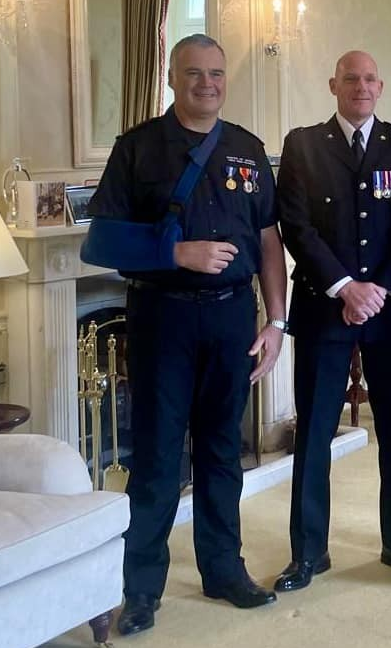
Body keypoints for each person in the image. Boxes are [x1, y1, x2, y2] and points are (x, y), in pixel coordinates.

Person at [80, 34, 286, 636]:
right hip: (163, 317)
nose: (207, 84)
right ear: (172, 77)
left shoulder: (248, 149)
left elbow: (269, 242)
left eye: (217, 74)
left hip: (231, 320)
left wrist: (276, 322)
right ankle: (140, 589)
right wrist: (178, 251)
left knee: (223, 450)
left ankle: (224, 570)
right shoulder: (138, 148)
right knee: (157, 457)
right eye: (194, 73)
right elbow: (101, 243)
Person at [275, 50, 391, 591]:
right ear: (333, 85)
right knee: (315, 432)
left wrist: (378, 290)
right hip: (325, 306)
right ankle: (308, 553)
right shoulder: (302, 144)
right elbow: (296, 226)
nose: (360, 87)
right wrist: (346, 287)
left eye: (369, 79)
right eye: (350, 79)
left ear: (381, 85)